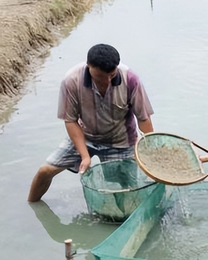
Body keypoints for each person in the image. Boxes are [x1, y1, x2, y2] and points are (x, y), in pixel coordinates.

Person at [27, 44, 154, 202]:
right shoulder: (72, 81)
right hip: (85, 136)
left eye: (111, 75)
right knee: (45, 171)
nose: (107, 81)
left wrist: (150, 152)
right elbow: (71, 121)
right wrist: (85, 156)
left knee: (126, 189)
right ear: (89, 67)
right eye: (100, 77)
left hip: (121, 141)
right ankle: (31, 205)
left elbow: (143, 118)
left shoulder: (131, 80)